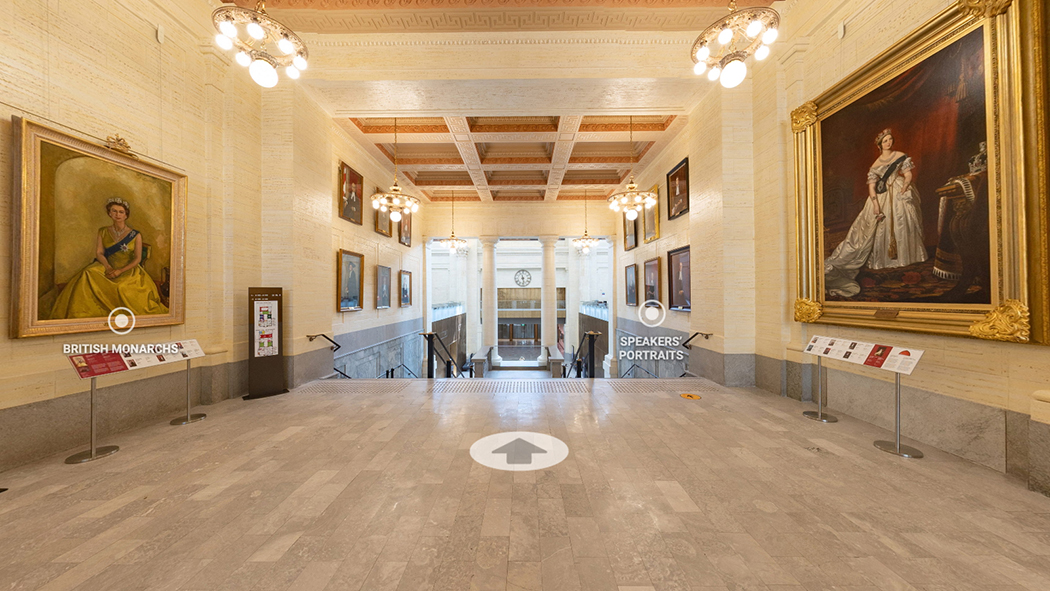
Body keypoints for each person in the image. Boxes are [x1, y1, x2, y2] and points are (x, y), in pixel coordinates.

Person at [825, 129, 927, 297]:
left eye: (890, 140)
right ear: (880, 145)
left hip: (899, 189)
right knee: (879, 226)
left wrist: (904, 187)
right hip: (881, 195)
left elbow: (908, 175)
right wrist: (875, 204)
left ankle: (907, 257)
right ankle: (884, 259)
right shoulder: (875, 164)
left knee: (904, 220)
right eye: (885, 140)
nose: (888, 142)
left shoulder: (900, 155)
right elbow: (872, 186)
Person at [49, 198, 168, 319]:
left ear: (126, 215)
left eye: (121, 212)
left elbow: (137, 259)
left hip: (128, 270)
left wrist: (120, 271)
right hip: (107, 265)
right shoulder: (103, 231)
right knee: (87, 273)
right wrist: (108, 267)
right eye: (114, 211)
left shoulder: (135, 235)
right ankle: (82, 314)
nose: (117, 214)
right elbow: (99, 253)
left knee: (122, 288)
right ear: (109, 213)